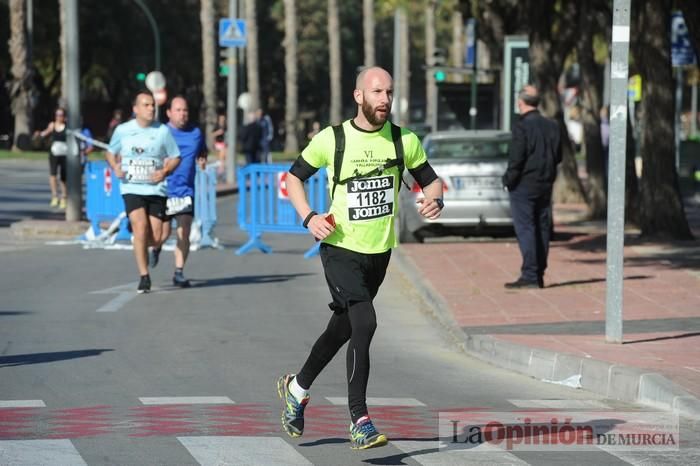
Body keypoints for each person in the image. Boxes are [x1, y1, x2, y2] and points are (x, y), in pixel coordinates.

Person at [278, 66, 444, 450]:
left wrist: (434, 199)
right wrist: (309, 217)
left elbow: (430, 180)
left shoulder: (404, 141)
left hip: (378, 254)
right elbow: (293, 177)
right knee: (364, 322)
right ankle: (360, 419)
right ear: (359, 96)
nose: (384, 99)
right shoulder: (332, 138)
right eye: (376, 92)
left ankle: (297, 388)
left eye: (389, 92)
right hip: (340, 248)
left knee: (343, 327)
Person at [105, 91, 181, 294]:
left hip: (156, 189)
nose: (151, 109)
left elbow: (175, 157)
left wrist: (165, 171)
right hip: (131, 187)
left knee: (157, 237)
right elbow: (110, 152)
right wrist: (115, 167)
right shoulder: (123, 130)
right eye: (146, 105)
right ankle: (144, 276)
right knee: (140, 228)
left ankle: (152, 247)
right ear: (135, 109)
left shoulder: (163, 131)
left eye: (152, 105)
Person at [502, 85, 562, 289]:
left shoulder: (522, 126)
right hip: (545, 183)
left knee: (526, 228)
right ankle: (538, 273)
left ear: (521, 102)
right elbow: (559, 155)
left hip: (524, 184)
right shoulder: (552, 125)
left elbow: (517, 157)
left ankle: (529, 275)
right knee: (542, 227)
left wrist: (508, 180)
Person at [150, 96, 208, 288]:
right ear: (169, 113)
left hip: (185, 191)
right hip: (164, 190)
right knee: (162, 234)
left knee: (184, 232)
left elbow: (202, 150)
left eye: (185, 110)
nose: (182, 114)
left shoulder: (196, 133)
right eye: (178, 110)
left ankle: (179, 272)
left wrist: (202, 158)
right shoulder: (160, 132)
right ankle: (156, 247)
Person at [36, 108, 69, 209]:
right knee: (53, 174)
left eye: (61, 115)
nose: (59, 117)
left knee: (64, 177)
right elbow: (45, 133)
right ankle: (55, 196)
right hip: (54, 153)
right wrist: (39, 134)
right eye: (57, 115)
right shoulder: (52, 125)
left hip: (64, 153)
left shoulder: (67, 127)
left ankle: (64, 197)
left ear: (64, 116)